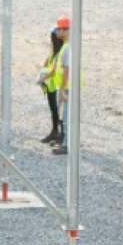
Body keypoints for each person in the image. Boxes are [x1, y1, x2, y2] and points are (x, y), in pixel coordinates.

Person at [40, 16, 70, 148]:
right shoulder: (55, 51)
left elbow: (63, 69)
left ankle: (61, 136)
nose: (54, 36)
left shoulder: (63, 50)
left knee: (60, 112)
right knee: (55, 110)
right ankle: (56, 132)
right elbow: (49, 64)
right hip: (53, 85)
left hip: (57, 85)